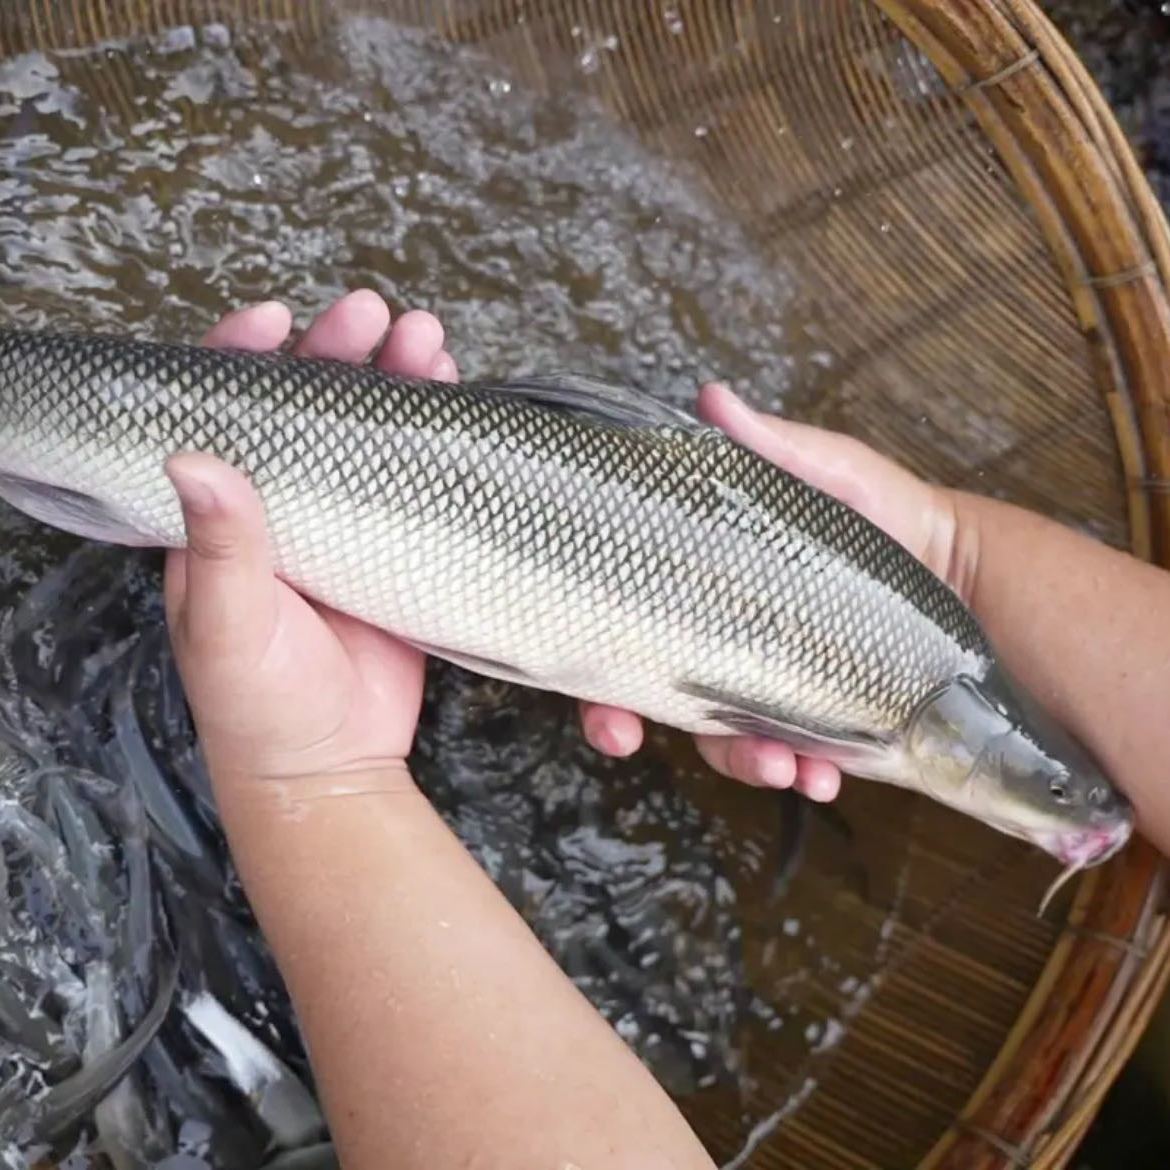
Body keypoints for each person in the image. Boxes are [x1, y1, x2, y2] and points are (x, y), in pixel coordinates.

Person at [163, 289, 1170, 1170]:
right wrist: (318, 777)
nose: (1069, 810)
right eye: (1045, 788)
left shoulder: (928, 680)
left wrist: (957, 550)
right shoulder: (907, 697)